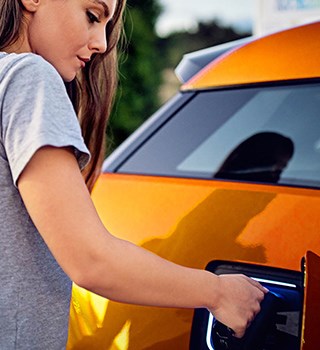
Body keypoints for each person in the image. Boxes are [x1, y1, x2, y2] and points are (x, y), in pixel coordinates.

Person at [0, 0, 267, 348]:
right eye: (92, 16)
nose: (99, 43)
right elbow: (90, 261)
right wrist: (218, 292)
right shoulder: (28, 78)